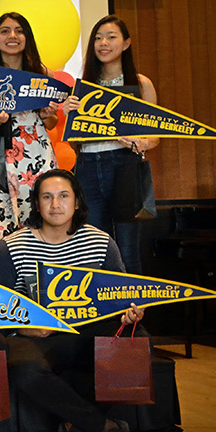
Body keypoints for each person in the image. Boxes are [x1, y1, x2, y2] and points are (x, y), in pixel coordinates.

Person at [0, 170, 143, 432]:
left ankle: (76, 425)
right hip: (36, 335)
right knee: (23, 369)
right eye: (46, 197)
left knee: (129, 343)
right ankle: (108, 428)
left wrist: (132, 312)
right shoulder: (11, 247)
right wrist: (24, 328)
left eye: (64, 196)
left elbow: (123, 295)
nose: (55, 205)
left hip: (86, 333)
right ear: (36, 204)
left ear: (77, 203)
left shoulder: (100, 243)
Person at [0, 13, 66, 244]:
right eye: (5, 31)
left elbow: (49, 124)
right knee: (1, 230)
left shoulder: (42, 74)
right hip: (0, 162)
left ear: (27, 37)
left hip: (37, 158)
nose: (12, 36)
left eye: (19, 30)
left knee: (41, 222)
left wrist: (48, 115)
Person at [73, 15, 156, 273]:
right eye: (98, 38)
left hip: (124, 166)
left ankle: (133, 312)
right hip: (87, 165)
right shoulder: (84, 84)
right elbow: (75, 140)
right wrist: (70, 114)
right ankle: (104, 312)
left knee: (127, 245)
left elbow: (154, 137)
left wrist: (138, 142)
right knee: (94, 246)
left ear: (126, 43)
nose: (103, 43)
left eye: (111, 37)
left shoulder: (140, 84)